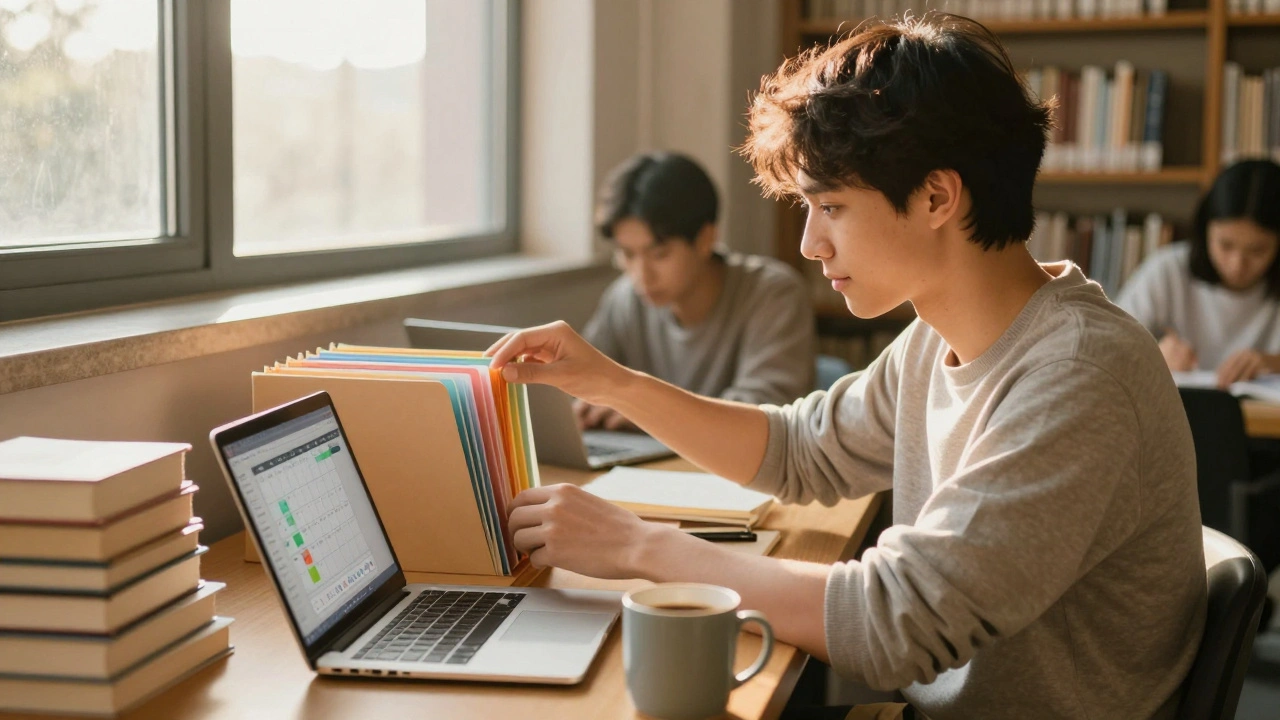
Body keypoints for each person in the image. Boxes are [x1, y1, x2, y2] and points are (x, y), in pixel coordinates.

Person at [488, 14, 1206, 720]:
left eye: (829, 206)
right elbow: (798, 451)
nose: (809, 244)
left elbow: (897, 623)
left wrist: (641, 546)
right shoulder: (935, 337)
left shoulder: (1078, 375)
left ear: (936, 196)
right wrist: (610, 380)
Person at [576, 151, 816, 431]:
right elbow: (585, 383)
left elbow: (766, 413)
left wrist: (647, 410)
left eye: (659, 254)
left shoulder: (773, 295)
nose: (641, 275)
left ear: (705, 239)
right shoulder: (624, 300)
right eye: (627, 254)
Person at [1117, 159, 1280, 387]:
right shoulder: (1168, 270)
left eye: (1257, 250)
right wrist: (1152, 353)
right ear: (1205, 231)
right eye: (1225, 245)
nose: (1237, 264)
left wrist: (1273, 363)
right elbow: (1107, 345)